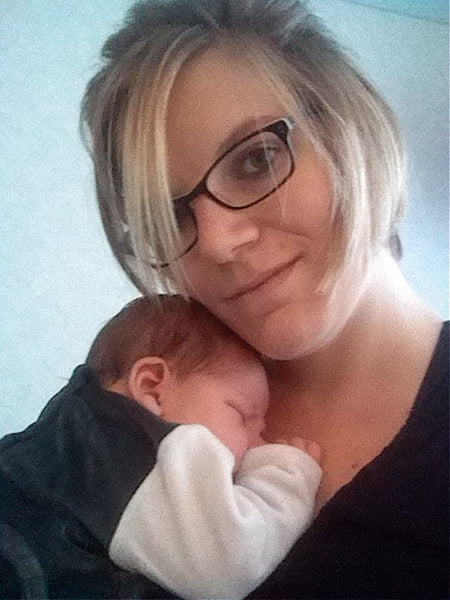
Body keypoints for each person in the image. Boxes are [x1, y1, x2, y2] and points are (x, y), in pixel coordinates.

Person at [79, 0, 449, 598]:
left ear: (352, 130)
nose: (218, 244)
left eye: (256, 160)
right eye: (172, 217)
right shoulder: (147, 390)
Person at [0, 295, 321, 600]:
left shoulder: (80, 433)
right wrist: (286, 474)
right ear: (153, 389)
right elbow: (231, 563)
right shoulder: (133, 449)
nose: (258, 443)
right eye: (241, 414)